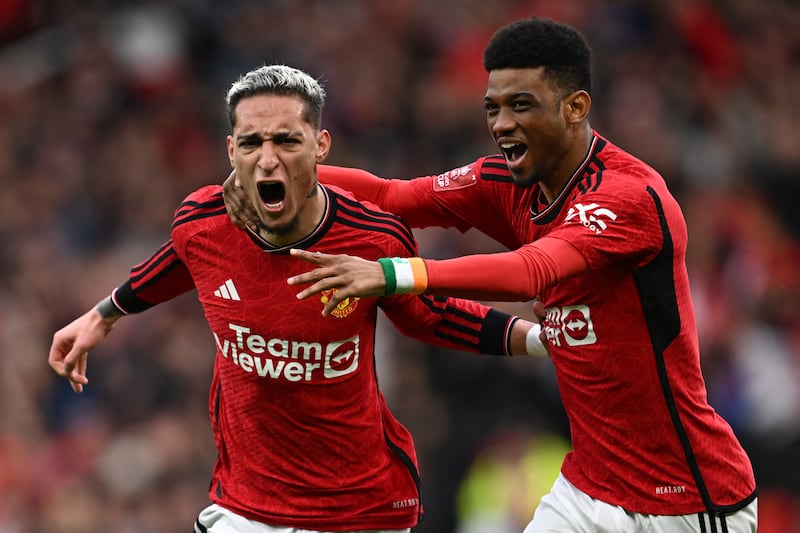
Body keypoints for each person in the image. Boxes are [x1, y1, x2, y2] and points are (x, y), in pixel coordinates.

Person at [225, 18, 758, 532]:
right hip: (588, 489)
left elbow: (531, 272)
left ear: (575, 107)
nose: (501, 123)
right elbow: (392, 196)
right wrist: (274, 170)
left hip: (685, 499)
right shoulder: (505, 183)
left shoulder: (628, 197)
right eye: (493, 108)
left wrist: (392, 273)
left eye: (521, 105)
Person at [47, 64, 546, 533]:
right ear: (231, 151)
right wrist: (105, 313)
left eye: (286, 140)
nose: (267, 158)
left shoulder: (373, 238)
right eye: (251, 142)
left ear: (320, 145)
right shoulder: (203, 221)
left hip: (360, 507)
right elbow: (183, 255)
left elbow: (429, 316)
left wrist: (541, 340)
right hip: (246, 506)